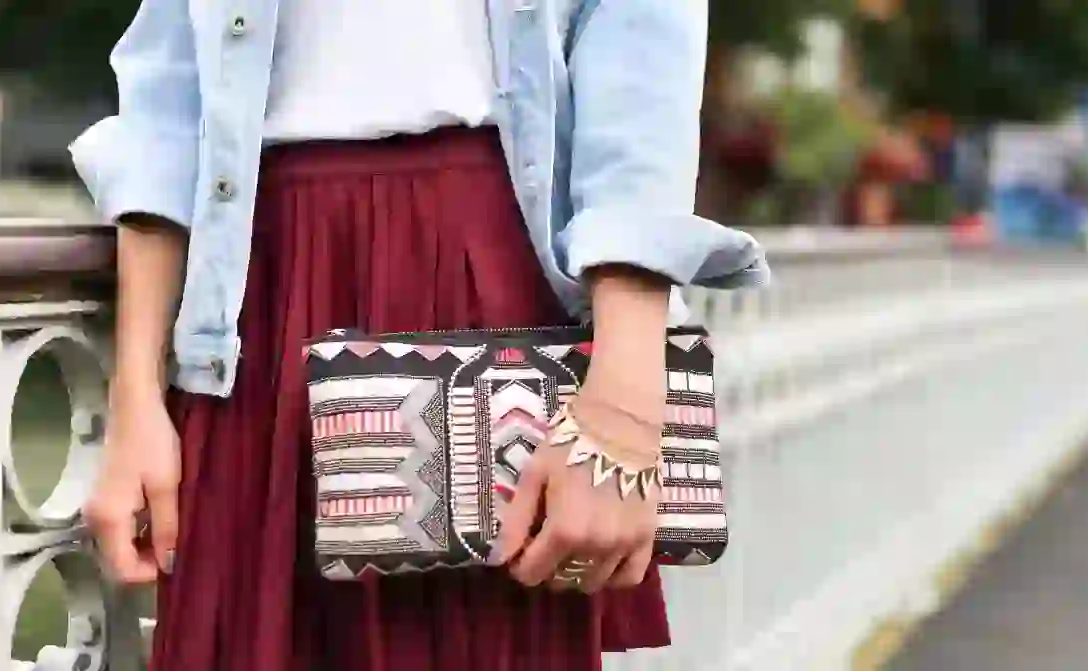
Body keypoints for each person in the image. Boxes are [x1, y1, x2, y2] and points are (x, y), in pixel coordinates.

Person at [70, 1, 769, 670]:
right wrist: (135, 387)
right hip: (248, 309)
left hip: (476, 290)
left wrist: (622, 414)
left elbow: (637, 58)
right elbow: (168, 98)